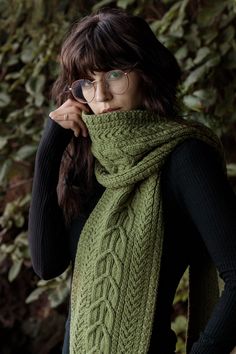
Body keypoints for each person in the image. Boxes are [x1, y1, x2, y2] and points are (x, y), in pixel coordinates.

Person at [28, 8, 236, 354]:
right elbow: (47, 265)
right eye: (87, 83)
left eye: (114, 74)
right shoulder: (89, 158)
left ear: (147, 73)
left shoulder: (185, 157)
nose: (102, 97)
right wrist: (49, 149)